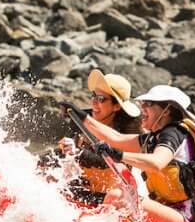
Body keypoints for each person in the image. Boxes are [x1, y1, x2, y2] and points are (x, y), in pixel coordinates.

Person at [83, 85, 195, 222]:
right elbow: (116, 139)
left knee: (118, 197)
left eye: (148, 104)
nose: (142, 108)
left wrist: (119, 155)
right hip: (174, 213)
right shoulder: (154, 138)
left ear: (166, 110)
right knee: (120, 191)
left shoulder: (174, 133)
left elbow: (156, 162)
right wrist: (82, 118)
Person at [56, 70, 141, 206]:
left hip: (107, 200)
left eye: (101, 99)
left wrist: (78, 152)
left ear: (116, 106)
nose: (94, 102)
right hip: (78, 191)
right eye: (93, 96)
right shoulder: (81, 121)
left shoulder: (126, 136)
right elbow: (68, 160)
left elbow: (108, 161)